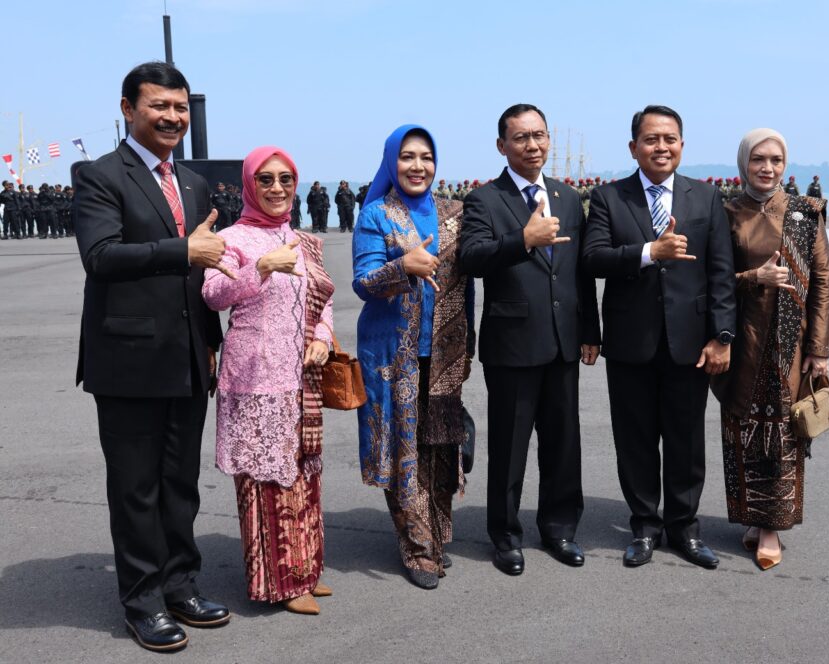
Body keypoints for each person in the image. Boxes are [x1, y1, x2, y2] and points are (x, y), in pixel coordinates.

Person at [72, 61, 231, 652]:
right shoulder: (99, 176)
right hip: (128, 360)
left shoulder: (191, 182)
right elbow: (101, 257)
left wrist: (210, 343)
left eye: (180, 107)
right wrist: (182, 249)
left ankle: (181, 585)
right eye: (159, 105)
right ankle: (142, 602)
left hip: (187, 359)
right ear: (128, 109)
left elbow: (201, 275)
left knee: (180, 483)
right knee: (136, 487)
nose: (172, 117)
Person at [582, 105, 736, 570]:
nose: (661, 147)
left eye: (670, 139)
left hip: (691, 343)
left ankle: (684, 528)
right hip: (631, 341)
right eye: (651, 139)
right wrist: (651, 251)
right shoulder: (608, 197)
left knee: (687, 441)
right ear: (634, 147)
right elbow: (593, 258)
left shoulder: (705, 197)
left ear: (682, 145)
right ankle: (645, 526)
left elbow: (721, 272)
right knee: (635, 440)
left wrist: (722, 336)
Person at [460, 103, 600, 576]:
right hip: (512, 343)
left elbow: (580, 272)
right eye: (521, 137)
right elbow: (472, 258)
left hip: (563, 340)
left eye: (539, 135)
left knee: (563, 442)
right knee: (509, 446)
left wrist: (590, 330)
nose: (533, 145)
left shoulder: (567, 197)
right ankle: (505, 536)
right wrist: (523, 239)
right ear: (502, 146)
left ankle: (560, 528)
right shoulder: (484, 199)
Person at [202, 146, 335, 615]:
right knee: (265, 483)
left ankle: (306, 570)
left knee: (302, 475)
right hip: (255, 377)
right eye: (266, 179)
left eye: (285, 179)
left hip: (302, 376)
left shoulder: (305, 240)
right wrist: (258, 268)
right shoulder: (232, 238)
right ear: (249, 185)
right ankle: (278, 582)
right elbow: (213, 294)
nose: (277, 188)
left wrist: (323, 336)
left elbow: (324, 298)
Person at [352, 125, 474, 590]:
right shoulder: (376, 215)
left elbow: (467, 286)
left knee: (439, 447)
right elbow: (363, 282)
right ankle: (417, 547)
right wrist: (402, 266)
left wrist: (467, 345)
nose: (418, 166)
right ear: (391, 162)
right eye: (407, 157)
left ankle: (437, 535)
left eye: (426, 157)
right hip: (392, 353)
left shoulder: (454, 213)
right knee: (404, 448)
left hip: (443, 353)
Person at [710, 128, 829, 571]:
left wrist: (819, 349)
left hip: (791, 345)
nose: (767, 168)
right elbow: (713, 280)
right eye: (758, 159)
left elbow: (822, 282)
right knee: (743, 431)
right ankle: (751, 516)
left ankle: (771, 528)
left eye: (776, 160)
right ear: (743, 163)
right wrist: (753, 278)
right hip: (742, 340)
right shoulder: (726, 213)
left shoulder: (804, 212)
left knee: (783, 433)